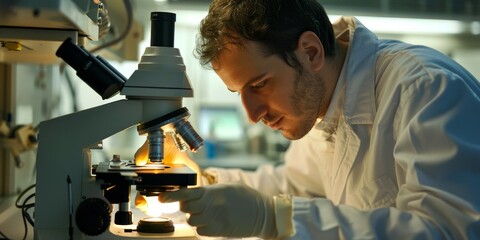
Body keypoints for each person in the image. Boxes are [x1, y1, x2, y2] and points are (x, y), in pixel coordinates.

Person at [152, 0, 480, 239]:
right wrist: (199, 181)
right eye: (239, 91)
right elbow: (294, 186)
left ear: (310, 52)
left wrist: (273, 218)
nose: (252, 115)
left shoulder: (424, 89)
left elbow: (447, 230)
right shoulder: (321, 104)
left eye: (260, 85)